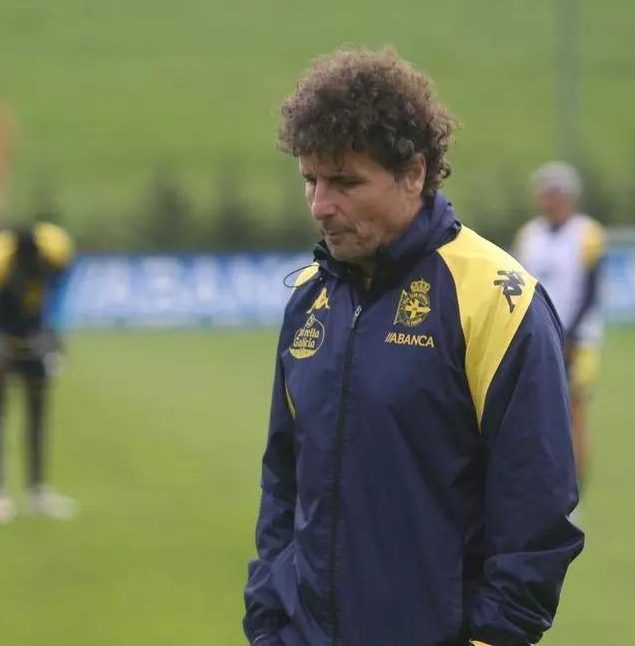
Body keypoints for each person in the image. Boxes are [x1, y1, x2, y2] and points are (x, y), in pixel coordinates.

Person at [243, 47, 583, 646]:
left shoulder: (496, 301)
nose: (321, 205)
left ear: (414, 174)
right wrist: (270, 623)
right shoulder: (308, 299)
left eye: (346, 181)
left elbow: (535, 515)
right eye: (311, 180)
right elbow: (283, 484)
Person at [0, 223, 76, 522]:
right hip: (3, 341)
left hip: (34, 343)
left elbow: (57, 295)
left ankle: (37, 491)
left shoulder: (53, 259)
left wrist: (54, 337)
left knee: (37, 415)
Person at [513, 162, 604, 492]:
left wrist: (570, 336)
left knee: (573, 410)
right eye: (546, 193)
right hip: (539, 335)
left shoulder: (588, 234)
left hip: (579, 340)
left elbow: (592, 291)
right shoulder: (528, 235)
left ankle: (575, 488)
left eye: (556, 193)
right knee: (536, 410)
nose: (551, 199)